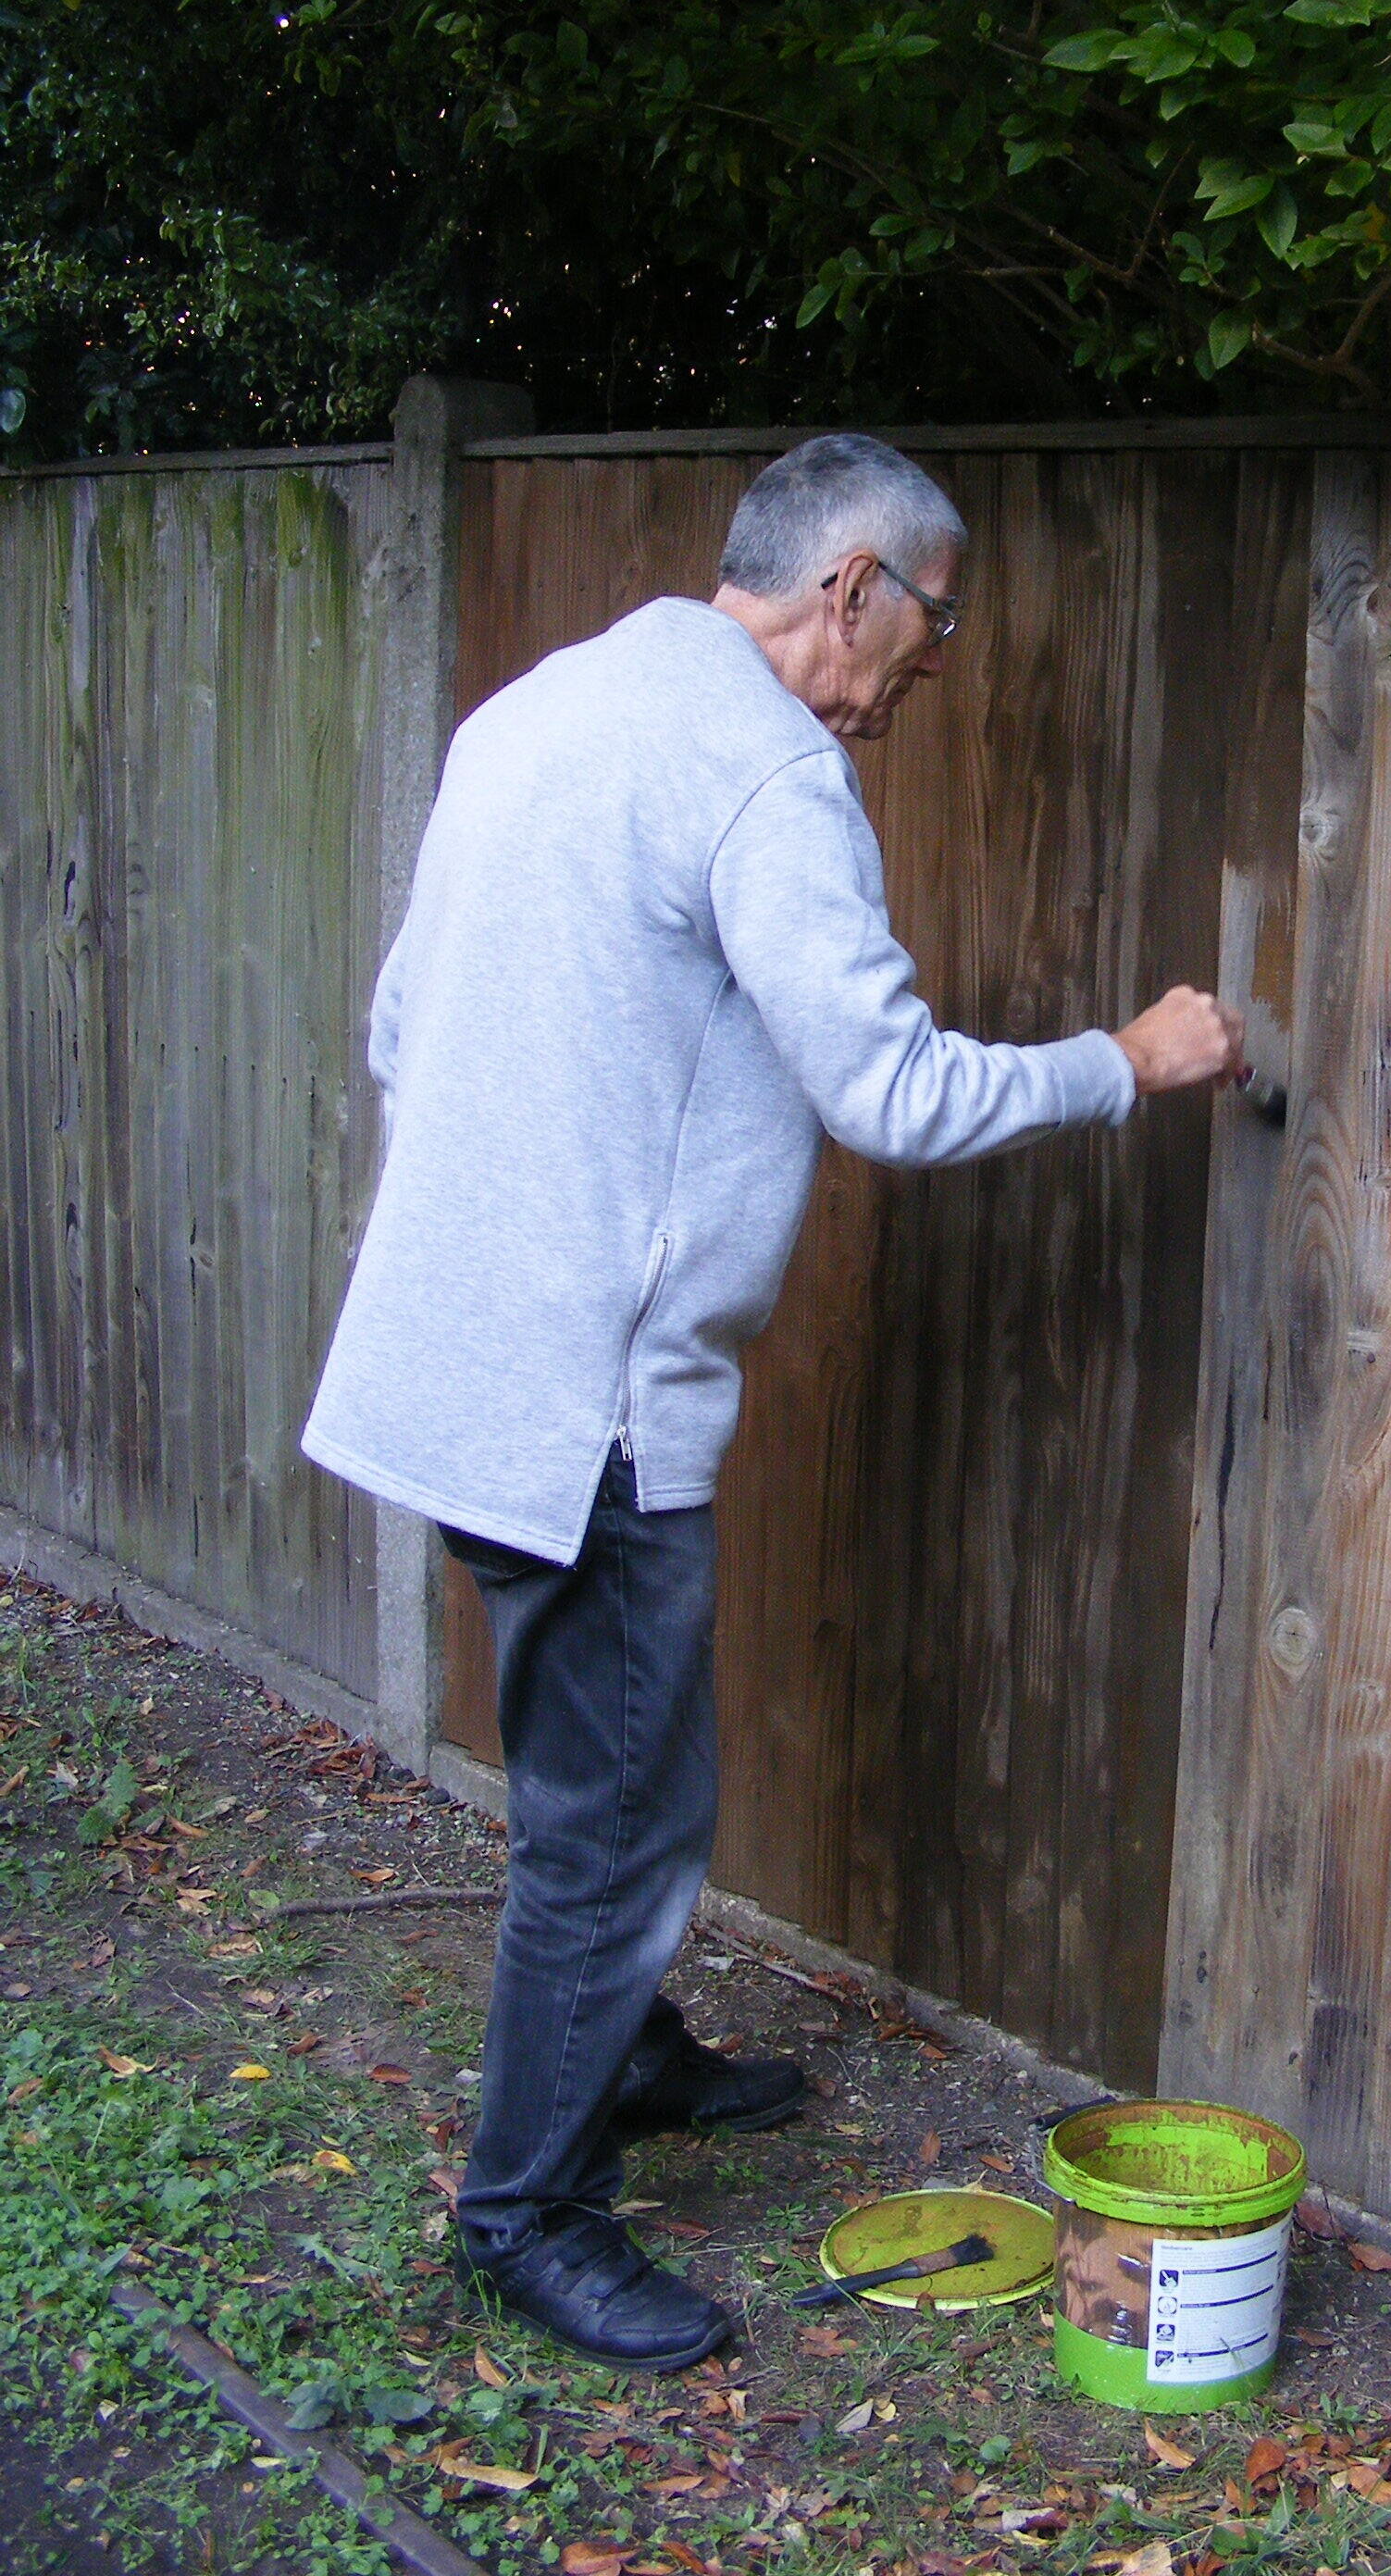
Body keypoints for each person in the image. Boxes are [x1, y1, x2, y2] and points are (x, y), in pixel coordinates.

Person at [302, 433, 1245, 2372]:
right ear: (849, 590)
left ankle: (625, 2054)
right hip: (589, 1404)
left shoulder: (541, 708)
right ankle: (529, 2214)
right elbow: (886, 1091)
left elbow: (401, 1024)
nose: (924, 673)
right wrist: (1124, 1061)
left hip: (455, 1352)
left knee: (595, 1760)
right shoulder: (764, 771)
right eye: (930, 626)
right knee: (625, 1818)